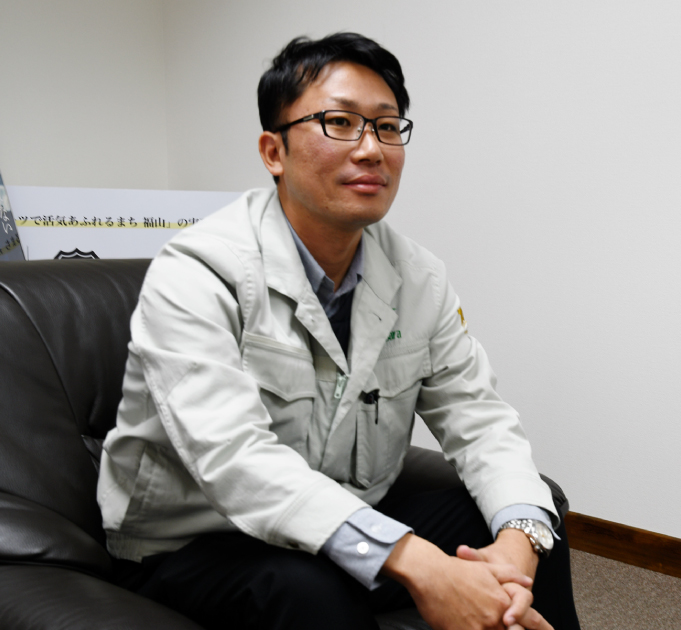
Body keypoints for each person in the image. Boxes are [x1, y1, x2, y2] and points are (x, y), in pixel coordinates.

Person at [97, 32, 581, 630]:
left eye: (386, 126)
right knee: (311, 588)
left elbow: (479, 419)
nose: (371, 149)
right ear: (274, 151)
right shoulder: (198, 270)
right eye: (341, 123)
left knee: (531, 515)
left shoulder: (418, 277)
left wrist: (516, 546)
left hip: (344, 521)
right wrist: (417, 562)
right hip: (193, 541)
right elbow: (235, 459)